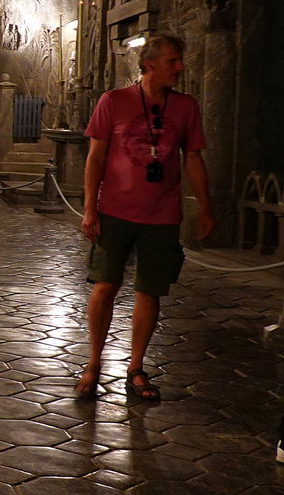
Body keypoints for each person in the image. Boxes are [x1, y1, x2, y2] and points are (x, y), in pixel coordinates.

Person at [77, 34, 213, 401]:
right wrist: (90, 207)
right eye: (173, 61)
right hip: (115, 210)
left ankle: (136, 367)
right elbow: (96, 158)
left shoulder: (186, 107)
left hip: (163, 214)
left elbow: (193, 158)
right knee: (105, 285)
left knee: (149, 291)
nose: (180, 67)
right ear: (150, 64)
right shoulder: (114, 101)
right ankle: (93, 362)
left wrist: (205, 206)